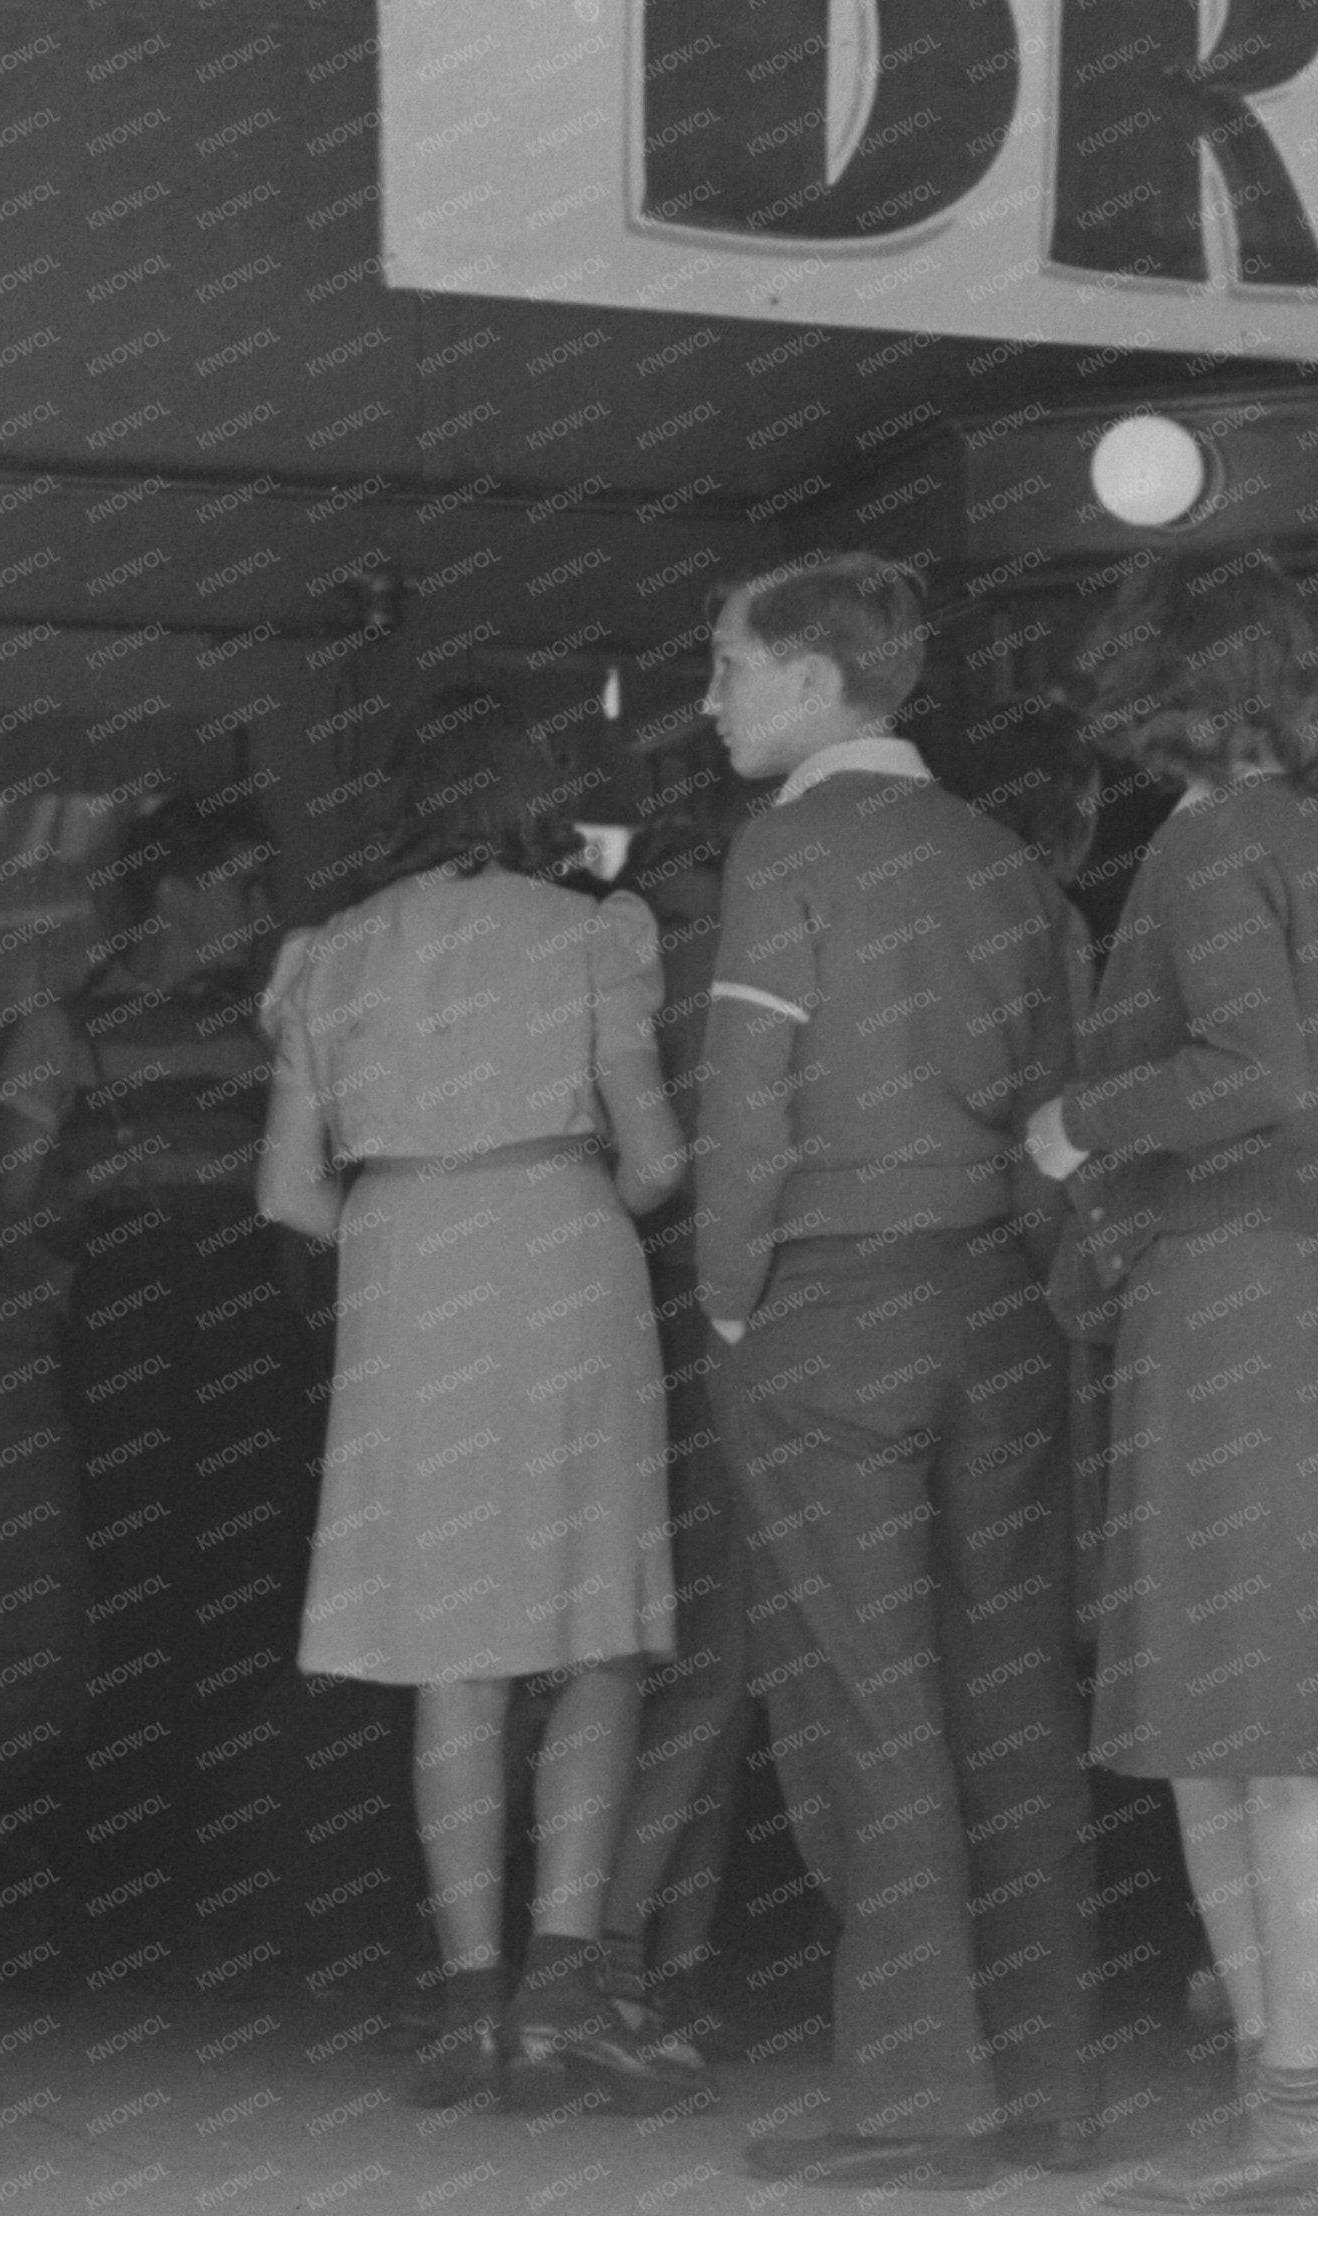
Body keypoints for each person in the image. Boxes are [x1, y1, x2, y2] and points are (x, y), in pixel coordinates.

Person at [1020, 557, 1318, 2210]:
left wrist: (1088, 1121)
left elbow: (1252, 1068)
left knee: (1226, 1729)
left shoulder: (1203, 850)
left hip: (1214, 1294)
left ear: (1166, 685)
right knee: (1272, 1717)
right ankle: (1290, 2099)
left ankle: (1293, 2111)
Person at [692, 551, 1103, 2190]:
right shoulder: (1009, 862)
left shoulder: (787, 848)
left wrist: (732, 1305)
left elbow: (745, 1104)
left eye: (726, 663)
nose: (709, 695)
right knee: (1007, 1686)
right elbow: (1064, 1116)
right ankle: (1049, 2080)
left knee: (865, 1700)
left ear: (809, 677)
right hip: (995, 1303)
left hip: (829, 1303)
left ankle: (921, 2097)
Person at [256, 698, 687, 2115]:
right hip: (561, 1256)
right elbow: (655, 1160)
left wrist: (405, 1218)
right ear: (543, 800)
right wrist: (580, 1198)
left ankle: (469, 2007)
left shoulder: (330, 956)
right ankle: (565, 1985)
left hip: (404, 1275)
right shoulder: (593, 935)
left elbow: (285, 1193)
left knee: (455, 1651)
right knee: (594, 1633)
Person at [0, 785, 320, 1963]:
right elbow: (8, 1202)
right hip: (129, 1309)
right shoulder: (65, 1024)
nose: (263, 911)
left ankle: (152, 1812)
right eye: (242, 885)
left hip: (250, 1307)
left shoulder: (272, 1024)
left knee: (260, 1571)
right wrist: (106, 1183)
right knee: (141, 1570)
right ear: (174, 890)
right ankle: (128, 1842)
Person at [586, 773, 749, 2086]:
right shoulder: (735, 955)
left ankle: (656, 1957)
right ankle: (622, 1956)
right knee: (711, 1660)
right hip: (728, 1307)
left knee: (673, 1651)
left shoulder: (619, 943)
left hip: (624, 1308)